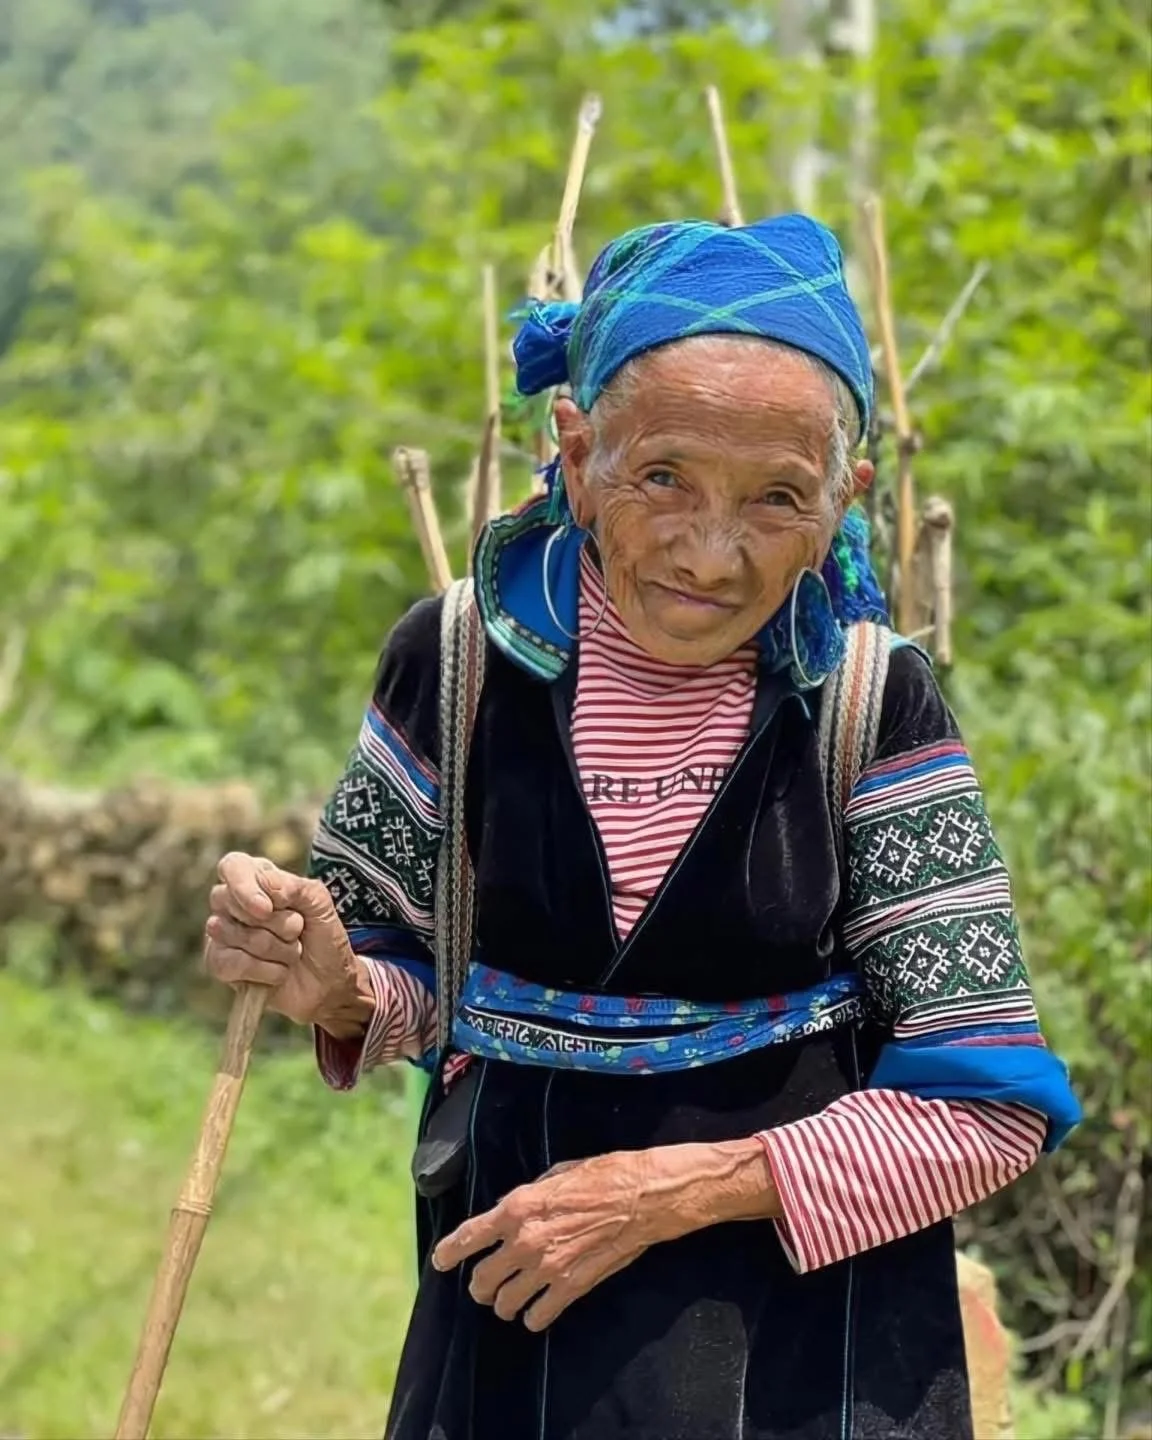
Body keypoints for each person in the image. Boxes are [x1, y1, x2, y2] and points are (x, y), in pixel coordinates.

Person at [203, 215, 1080, 1440]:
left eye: (777, 498)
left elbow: (988, 1106)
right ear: (573, 453)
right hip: (516, 1323)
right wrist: (333, 979)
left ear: (846, 499)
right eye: (661, 476)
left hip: (803, 1347)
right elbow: (409, 982)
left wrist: (671, 1192)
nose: (710, 554)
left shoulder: (873, 704)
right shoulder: (457, 662)